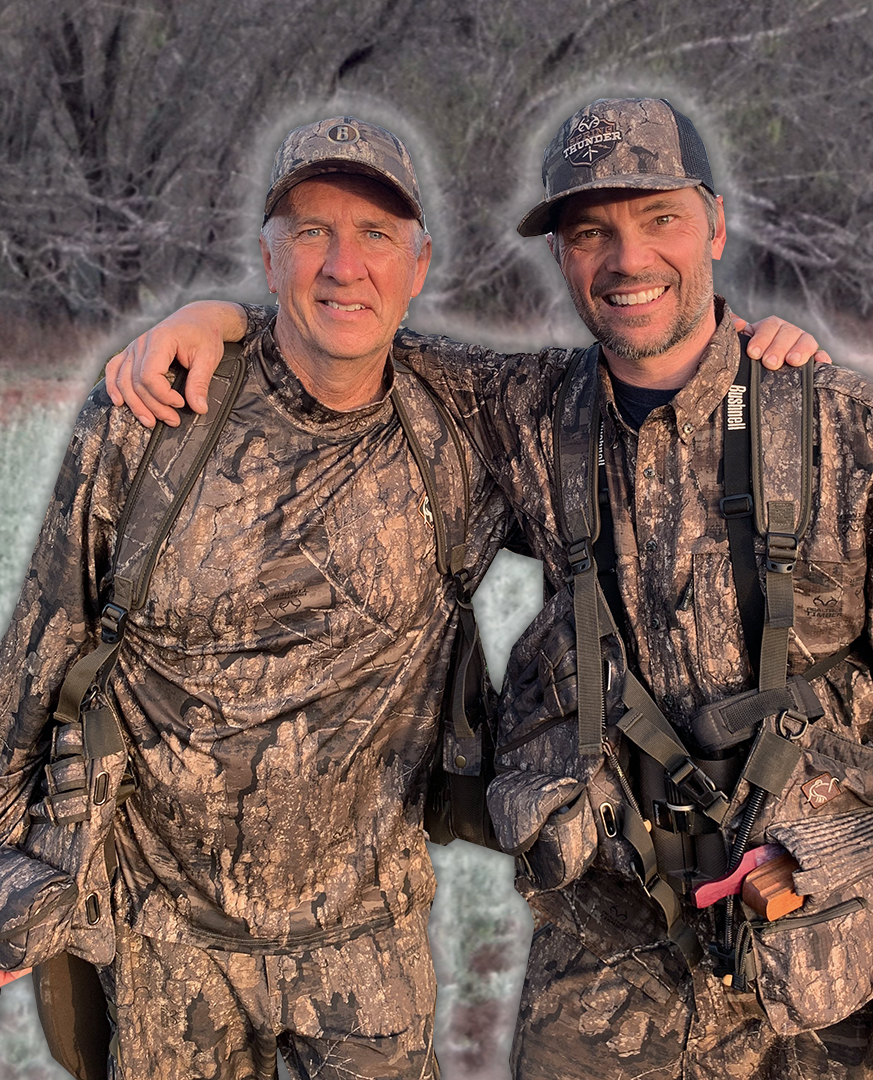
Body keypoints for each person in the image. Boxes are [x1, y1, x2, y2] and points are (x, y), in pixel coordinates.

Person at [110, 98, 873, 1080]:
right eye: (593, 232)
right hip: (605, 947)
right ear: (564, 255)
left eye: (659, 219)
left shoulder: (852, 432)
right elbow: (354, 335)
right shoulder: (529, 414)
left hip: (815, 946)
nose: (629, 260)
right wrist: (218, 322)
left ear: (714, 224)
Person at [7, 114, 822, 1080]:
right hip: (163, 938)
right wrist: (18, 875)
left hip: (365, 945)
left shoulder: (465, 418)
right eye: (310, 232)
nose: (344, 264)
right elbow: (44, 641)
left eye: (377, 235)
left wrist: (754, 359)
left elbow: (644, 387)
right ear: (267, 262)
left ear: (420, 264)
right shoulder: (160, 412)